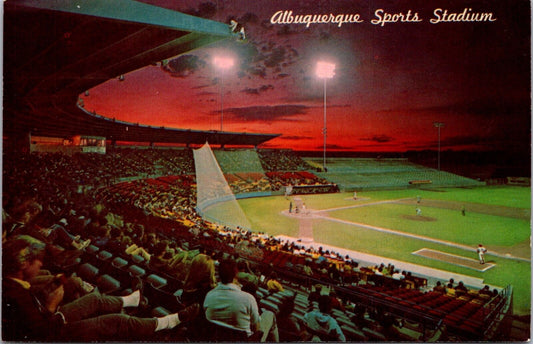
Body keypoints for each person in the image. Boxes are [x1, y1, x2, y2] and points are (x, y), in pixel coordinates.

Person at [2, 235, 200, 342]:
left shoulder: (13, 284)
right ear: (23, 264)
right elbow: (41, 335)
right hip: (55, 331)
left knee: (95, 299)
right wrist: (52, 306)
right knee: (116, 321)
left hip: (49, 319)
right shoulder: (15, 295)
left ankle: (132, 300)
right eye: (38, 261)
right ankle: (169, 321)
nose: (40, 265)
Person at [204, 258, 261, 339]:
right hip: (243, 340)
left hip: (215, 338)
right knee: (269, 315)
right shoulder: (248, 298)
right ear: (236, 274)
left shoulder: (209, 296)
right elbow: (255, 323)